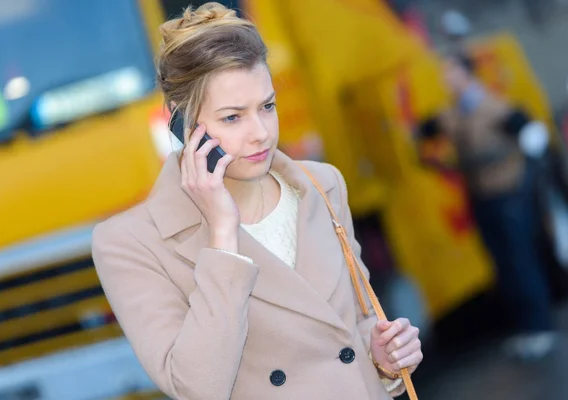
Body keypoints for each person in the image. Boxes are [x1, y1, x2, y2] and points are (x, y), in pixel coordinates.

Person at [92, 3, 422, 399]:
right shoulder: (128, 243)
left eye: (267, 107)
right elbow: (197, 387)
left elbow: (354, 325)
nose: (260, 133)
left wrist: (383, 357)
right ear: (184, 126)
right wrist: (223, 236)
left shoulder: (322, 184)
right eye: (233, 117)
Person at [420, 53, 556, 360]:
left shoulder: (494, 107)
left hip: (508, 193)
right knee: (503, 264)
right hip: (481, 197)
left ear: (466, 74)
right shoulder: (452, 113)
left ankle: (541, 326)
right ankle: (526, 327)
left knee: (521, 260)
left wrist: (527, 178)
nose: (446, 78)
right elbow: (425, 130)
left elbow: (533, 136)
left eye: (451, 71)